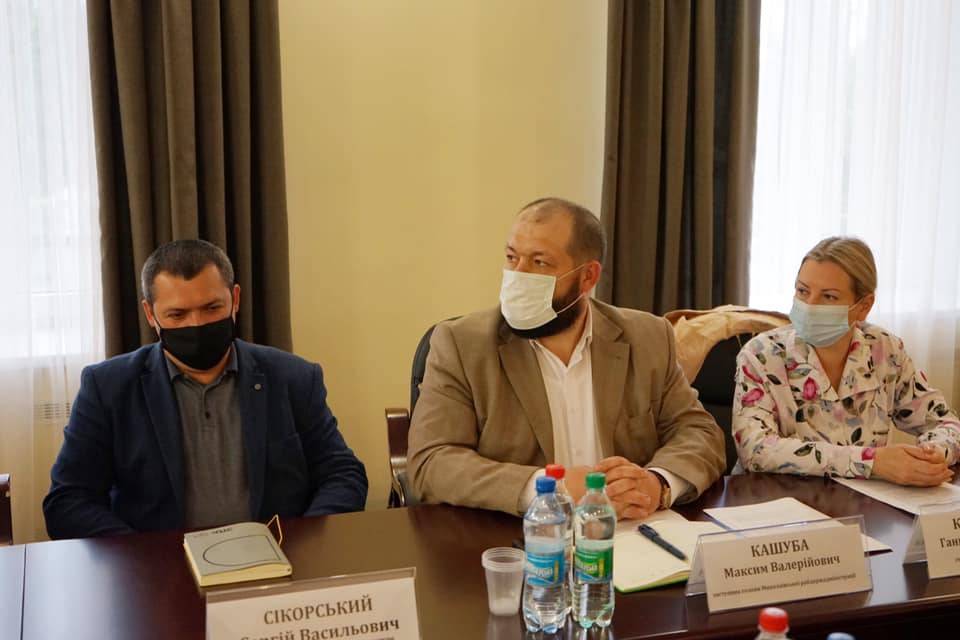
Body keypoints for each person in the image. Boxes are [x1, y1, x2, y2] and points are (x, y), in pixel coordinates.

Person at [407, 198, 726, 519]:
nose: (518, 275)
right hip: (518, 534)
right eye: (511, 257)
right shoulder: (462, 344)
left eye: (540, 262)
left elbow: (699, 432)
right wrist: (547, 488)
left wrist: (657, 483)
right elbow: (431, 462)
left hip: (627, 530)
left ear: (587, 277)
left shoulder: (647, 337)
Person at [43, 239, 367, 538]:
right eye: (177, 314)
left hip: (277, 561)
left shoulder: (294, 377)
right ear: (150, 314)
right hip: (159, 569)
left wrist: (304, 540)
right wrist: (143, 555)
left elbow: (342, 473)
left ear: (235, 299)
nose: (196, 325)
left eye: (212, 308)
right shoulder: (107, 388)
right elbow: (68, 501)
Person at [733, 236, 960, 485]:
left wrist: (931, 455)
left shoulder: (884, 350)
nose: (810, 305)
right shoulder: (761, 354)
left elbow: (945, 423)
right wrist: (872, 461)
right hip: (776, 499)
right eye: (803, 291)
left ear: (864, 306)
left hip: (861, 501)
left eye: (829, 297)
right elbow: (755, 449)